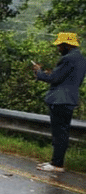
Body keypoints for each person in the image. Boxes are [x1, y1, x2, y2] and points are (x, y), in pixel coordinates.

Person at [33, 33, 86, 172]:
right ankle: (56, 162)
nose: (58, 48)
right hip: (69, 99)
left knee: (59, 133)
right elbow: (69, 79)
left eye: (59, 45)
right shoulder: (80, 59)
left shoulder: (68, 58)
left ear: (67, 45)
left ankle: (57, 164)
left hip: (60, 100)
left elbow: (55, 79)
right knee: (62, 132)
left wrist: (39, 73)